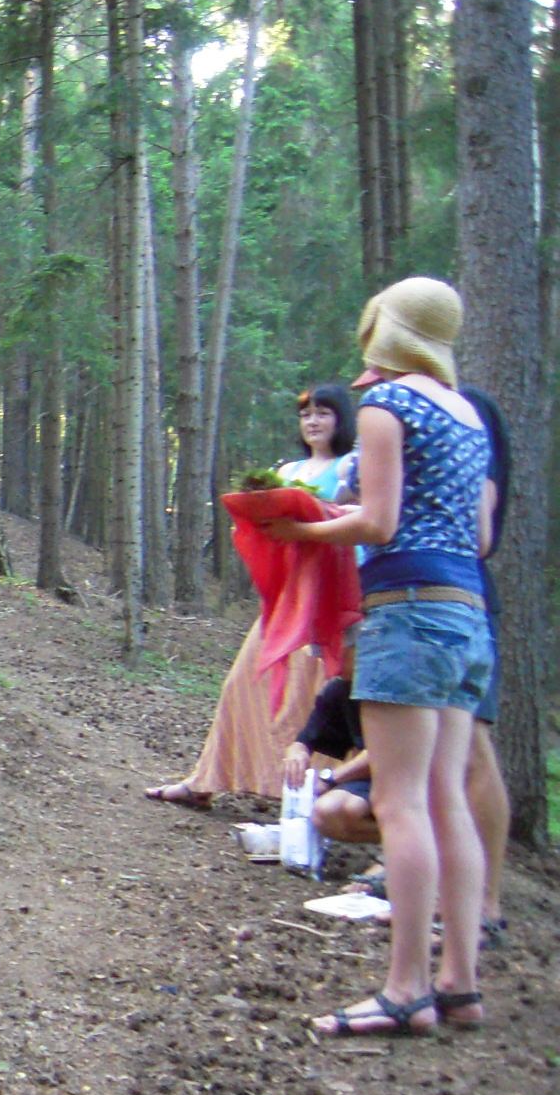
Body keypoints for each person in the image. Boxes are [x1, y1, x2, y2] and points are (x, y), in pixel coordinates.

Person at [261, 277, 492, 1037]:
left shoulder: (390, 405)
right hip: (466, 614)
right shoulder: (466, 413)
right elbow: (477, 534)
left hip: (406, 610)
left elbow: (382, 522)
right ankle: (459, 983)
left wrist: (301, 531)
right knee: (446, 796)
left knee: (399, 803)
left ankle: (406, 989)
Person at [283, 384, 515, 945]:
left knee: (460, 763)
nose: (366, 380)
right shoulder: (436, 410)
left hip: (434, 598)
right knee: (433, 778)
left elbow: (475, 532)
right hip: (426, 596)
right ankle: (444, 911)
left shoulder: (455, 410)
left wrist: (319, 527)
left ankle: (479, 908)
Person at [144, 384, 358, 808]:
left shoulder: (352, 466)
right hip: (284, 597)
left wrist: (315, 521)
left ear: (341, 419)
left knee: (314, 698)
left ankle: (313, 797)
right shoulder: (289, 470)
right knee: (243, 684)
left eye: (323, 413)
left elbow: (360, 525)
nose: (313, 422)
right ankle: (205, 781)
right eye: (306, 414)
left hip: (326, 599)